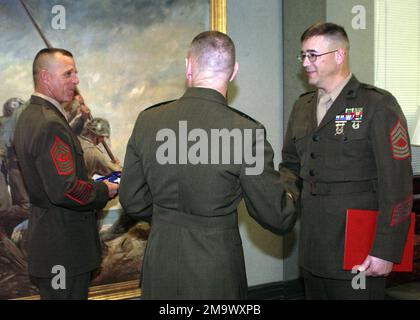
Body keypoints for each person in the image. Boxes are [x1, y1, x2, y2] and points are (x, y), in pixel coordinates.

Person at [119, 31, 300, 299]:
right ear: (233, 72)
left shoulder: (148, 120)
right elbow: (277, 215)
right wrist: (290, 182)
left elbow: (132, 200)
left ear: (188, 66)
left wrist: (169, 218)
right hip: (215, 271)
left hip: (160, 263)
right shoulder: (245, 132)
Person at [281, 22, 413, 300]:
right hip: (313, 249)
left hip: (359, 249)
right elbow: (291, 165)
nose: (306, 63)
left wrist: (385, 250)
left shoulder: (377, 105)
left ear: (339, 55)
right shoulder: (302, 107)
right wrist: (284, 199)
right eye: (303, 55)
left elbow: (397, 185)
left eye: (313, 55)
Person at [13, 48, 119, 300]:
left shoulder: (30, 115)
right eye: (68, 73)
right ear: (45, 77)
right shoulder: (49, 123)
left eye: (76, 73)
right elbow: (66, 189)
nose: (76, 80)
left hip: (52, 244)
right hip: (65, 248)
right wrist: (106, 189)